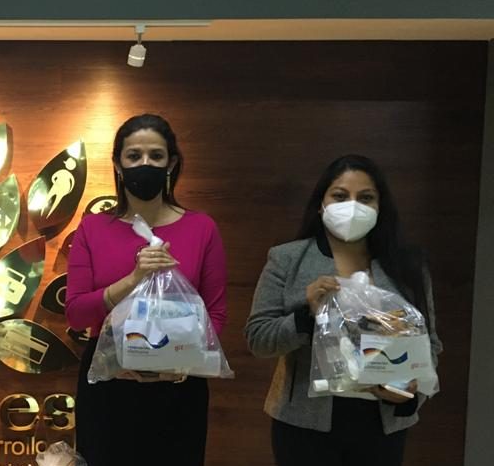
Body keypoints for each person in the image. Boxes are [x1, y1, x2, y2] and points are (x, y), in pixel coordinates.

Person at [245, 155, 441, 466]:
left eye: (365, 198)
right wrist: (306, 315)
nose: (352, 207)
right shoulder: (287, 259)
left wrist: (409, 395)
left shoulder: (408, 265)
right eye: (340, 196)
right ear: (321, 204)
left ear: (380, 207)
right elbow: (258, 339)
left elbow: (429, 344)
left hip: (383, 426)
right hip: (304, 427)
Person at [65, 114, 227, 466]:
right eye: (134, 156)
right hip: (110, 381)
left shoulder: (202, 228)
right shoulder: (93, 228)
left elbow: (215, 315)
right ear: (118, 165)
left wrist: (176, 363)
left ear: (172, 163)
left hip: (179, 386)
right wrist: (134, 278)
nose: (145, 164)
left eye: (156, 156)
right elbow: (76, 313)